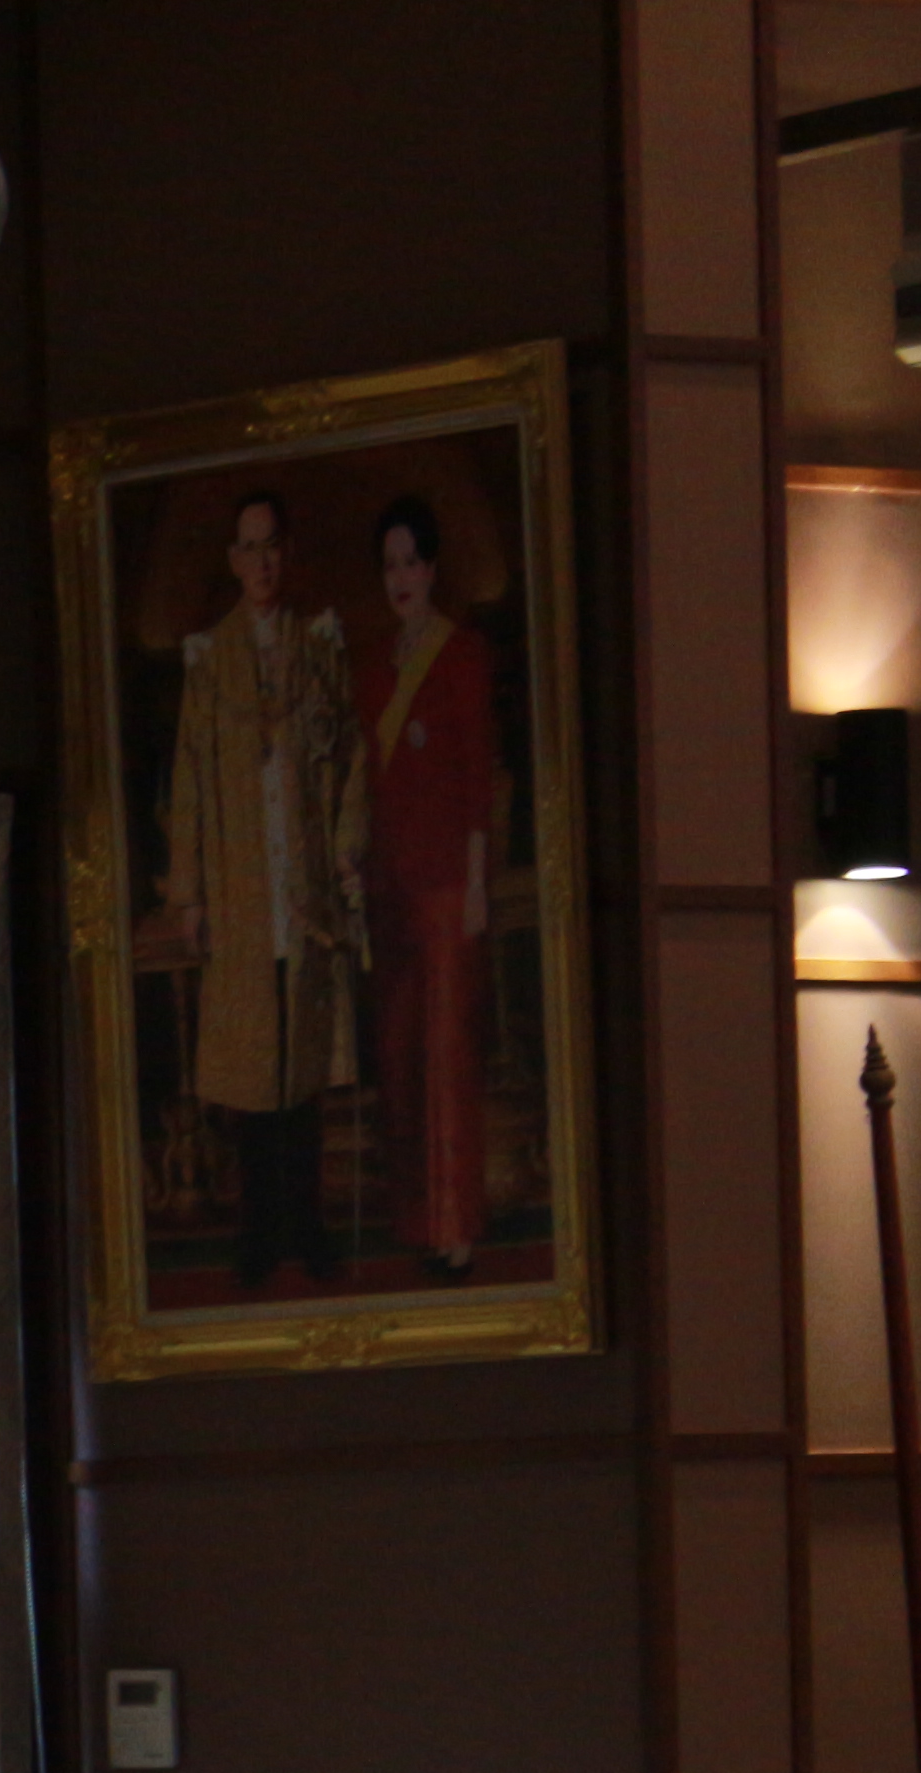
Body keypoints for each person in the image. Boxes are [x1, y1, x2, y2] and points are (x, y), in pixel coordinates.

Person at [158, 487, 363, 1293]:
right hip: (242, 894)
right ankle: (257, 1232)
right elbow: (188, 780)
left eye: (273, 543)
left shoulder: (319, 644)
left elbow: (349, 757)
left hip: (303, 891)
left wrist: (346, 857)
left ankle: (306, 1229)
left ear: (287, 551)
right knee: (252, 1074)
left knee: (301, 1073)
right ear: (234, 560)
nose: (263, 561)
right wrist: (191, 895)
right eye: (249, 547)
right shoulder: (210, 657)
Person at [357, 493, 505, 1282]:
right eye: (390, 565)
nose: (401, 577)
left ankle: (457, 1229)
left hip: (449, 886)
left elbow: (477, 777)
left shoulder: (463, 654)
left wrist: (477, 883)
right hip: (389, 886)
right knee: (403, 1058)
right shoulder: (372, 666)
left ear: (433, 567)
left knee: (447, 1060)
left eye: (412, 562)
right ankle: (418, 1222)